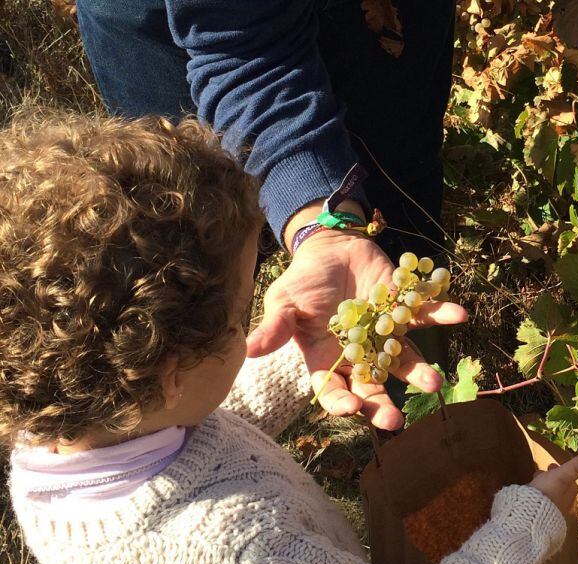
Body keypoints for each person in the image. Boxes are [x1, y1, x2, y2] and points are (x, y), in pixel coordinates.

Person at [0, 112, 578, 564]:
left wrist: (308, 354)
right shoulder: (232, 556)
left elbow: (201, 429)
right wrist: (526, 525)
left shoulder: (58, 451)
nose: (256, 319)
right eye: (241, 316)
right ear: (171, 371)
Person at [75, 0, 457, 427]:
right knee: (186, 249)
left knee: (392, 200)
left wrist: (329, 229)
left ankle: (425, 429)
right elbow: (244, 51)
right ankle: (193, 434)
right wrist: (323, 224)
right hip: (172, 26)